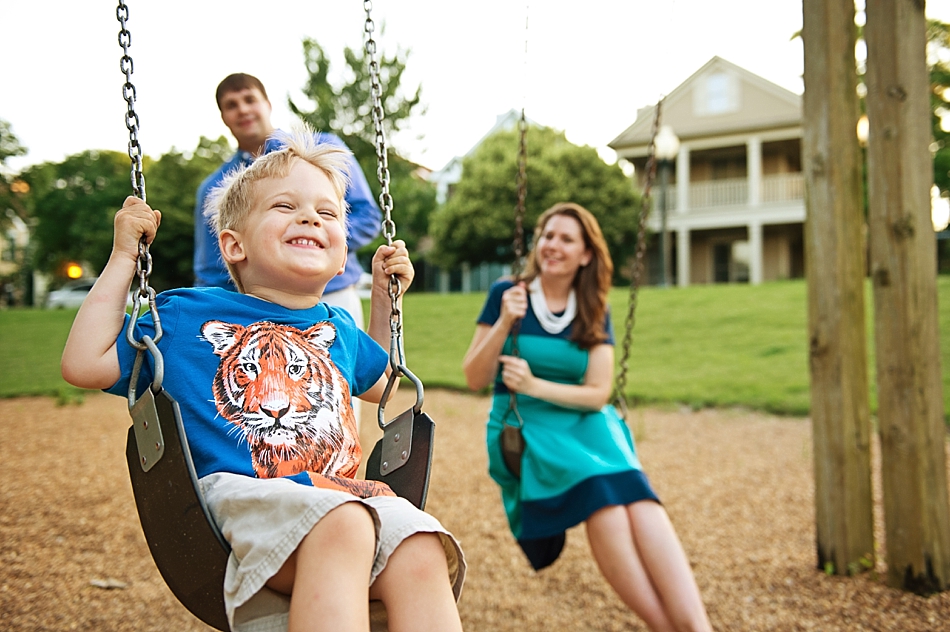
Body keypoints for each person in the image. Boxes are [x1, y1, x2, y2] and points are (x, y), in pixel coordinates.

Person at [62, 128, 464, 632]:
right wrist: (124, 257)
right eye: (284, 206)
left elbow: (383, 386)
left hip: (342, 502)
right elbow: (84, 362)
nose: (311, 217)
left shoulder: (336, 326)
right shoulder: (186, 316)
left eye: (328, 212)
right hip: (241, 503)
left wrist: (385, 301)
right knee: (344, 523)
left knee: (421, 546)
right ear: (233, 245)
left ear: (342, 257)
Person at [462, 202, 710, 632]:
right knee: (607, 509)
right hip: (527, 425)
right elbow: (473, 377)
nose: (552, 245)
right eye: (548, 235)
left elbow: (598, 393)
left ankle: (697, 627)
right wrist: (505, 321)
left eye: (566, 239)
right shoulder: (508, 293)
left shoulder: (593, 305)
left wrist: (537, 385)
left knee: (641, 502)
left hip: (585, 419)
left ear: (586, 255)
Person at [194, 72, 381, 328]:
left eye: (250, 99)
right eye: (232, 105)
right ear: (224, 117)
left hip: (332, 295)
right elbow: (211, 269)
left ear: (268, 104)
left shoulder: (322, 150)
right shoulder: (215, 187)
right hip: (259, 308)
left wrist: (309, 247)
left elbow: (366, 216)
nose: (243, 110)